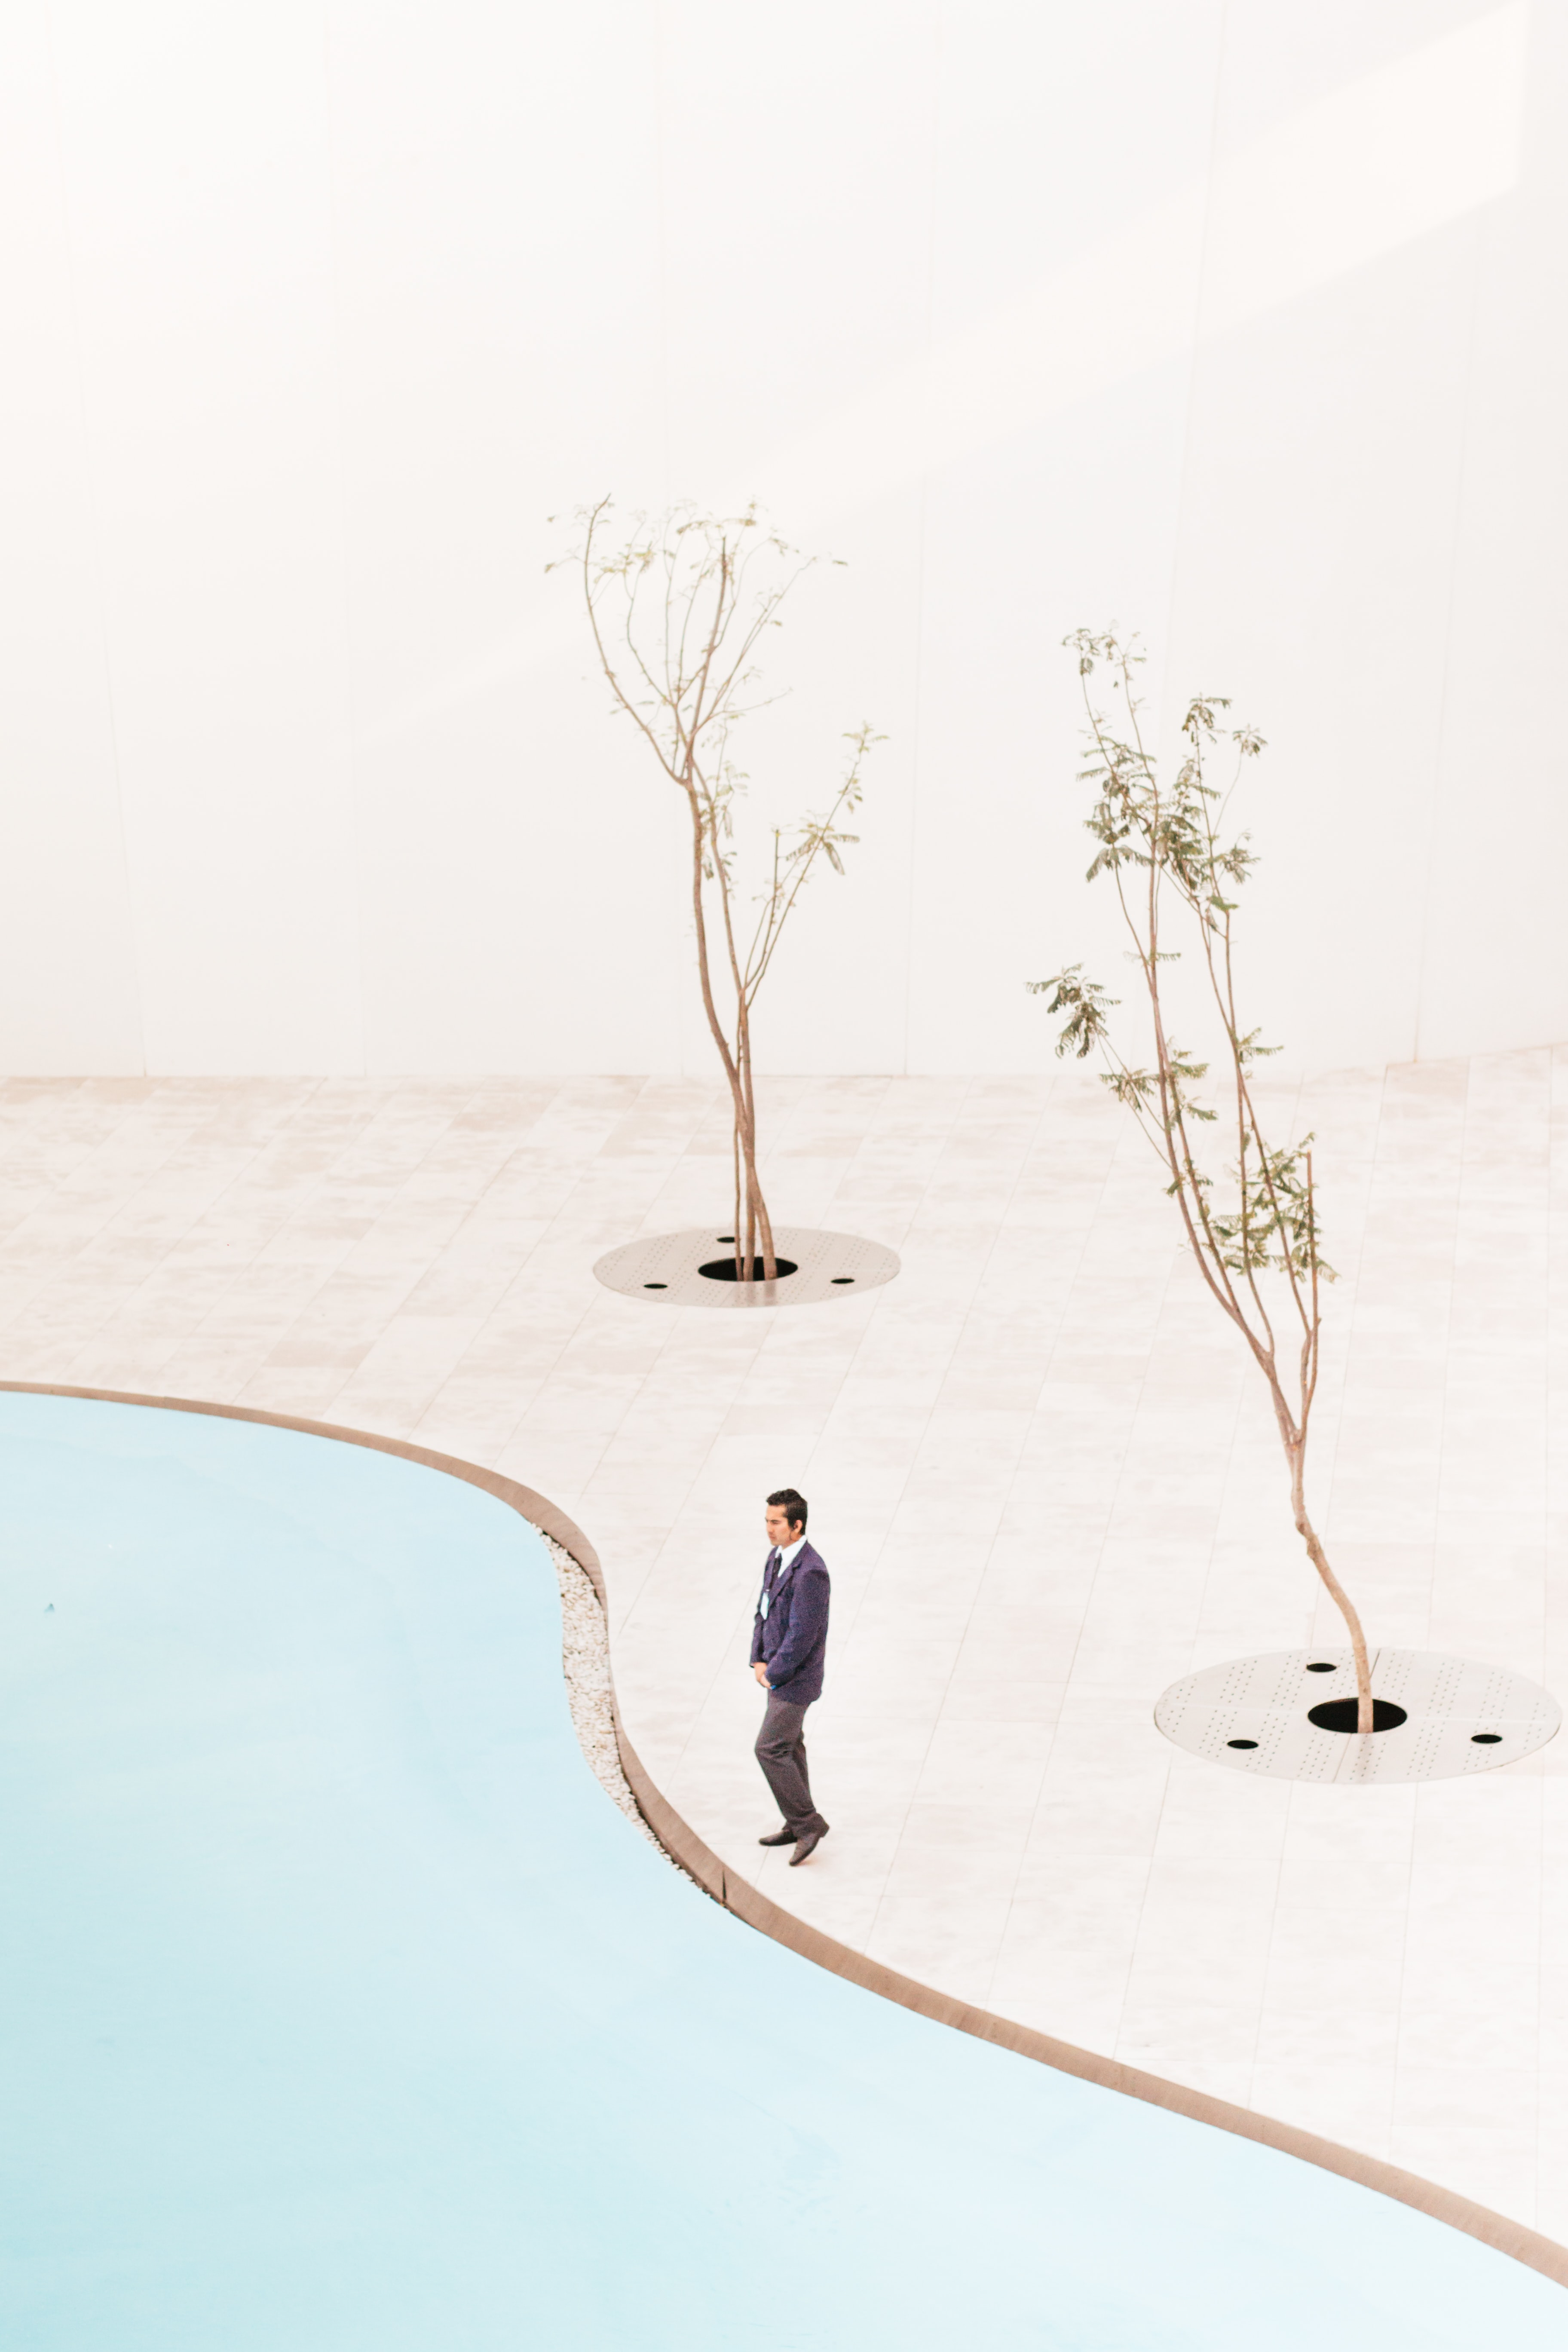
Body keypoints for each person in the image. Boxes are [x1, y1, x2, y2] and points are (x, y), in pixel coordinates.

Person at [750, 1486, 830, 1865]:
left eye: (776, 1523)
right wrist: (758, 1660)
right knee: (790, 1746)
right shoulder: (776, 1557)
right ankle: (796, 1822)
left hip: (795, 1679)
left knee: (769, 1749)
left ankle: (808, 1823)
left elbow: (803, 1634)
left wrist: (776, 1671)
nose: (769, 1529)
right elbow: (763, 1612)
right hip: (776, 1673)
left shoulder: (812, 1572)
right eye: (767, 1521)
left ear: (797, 1525)